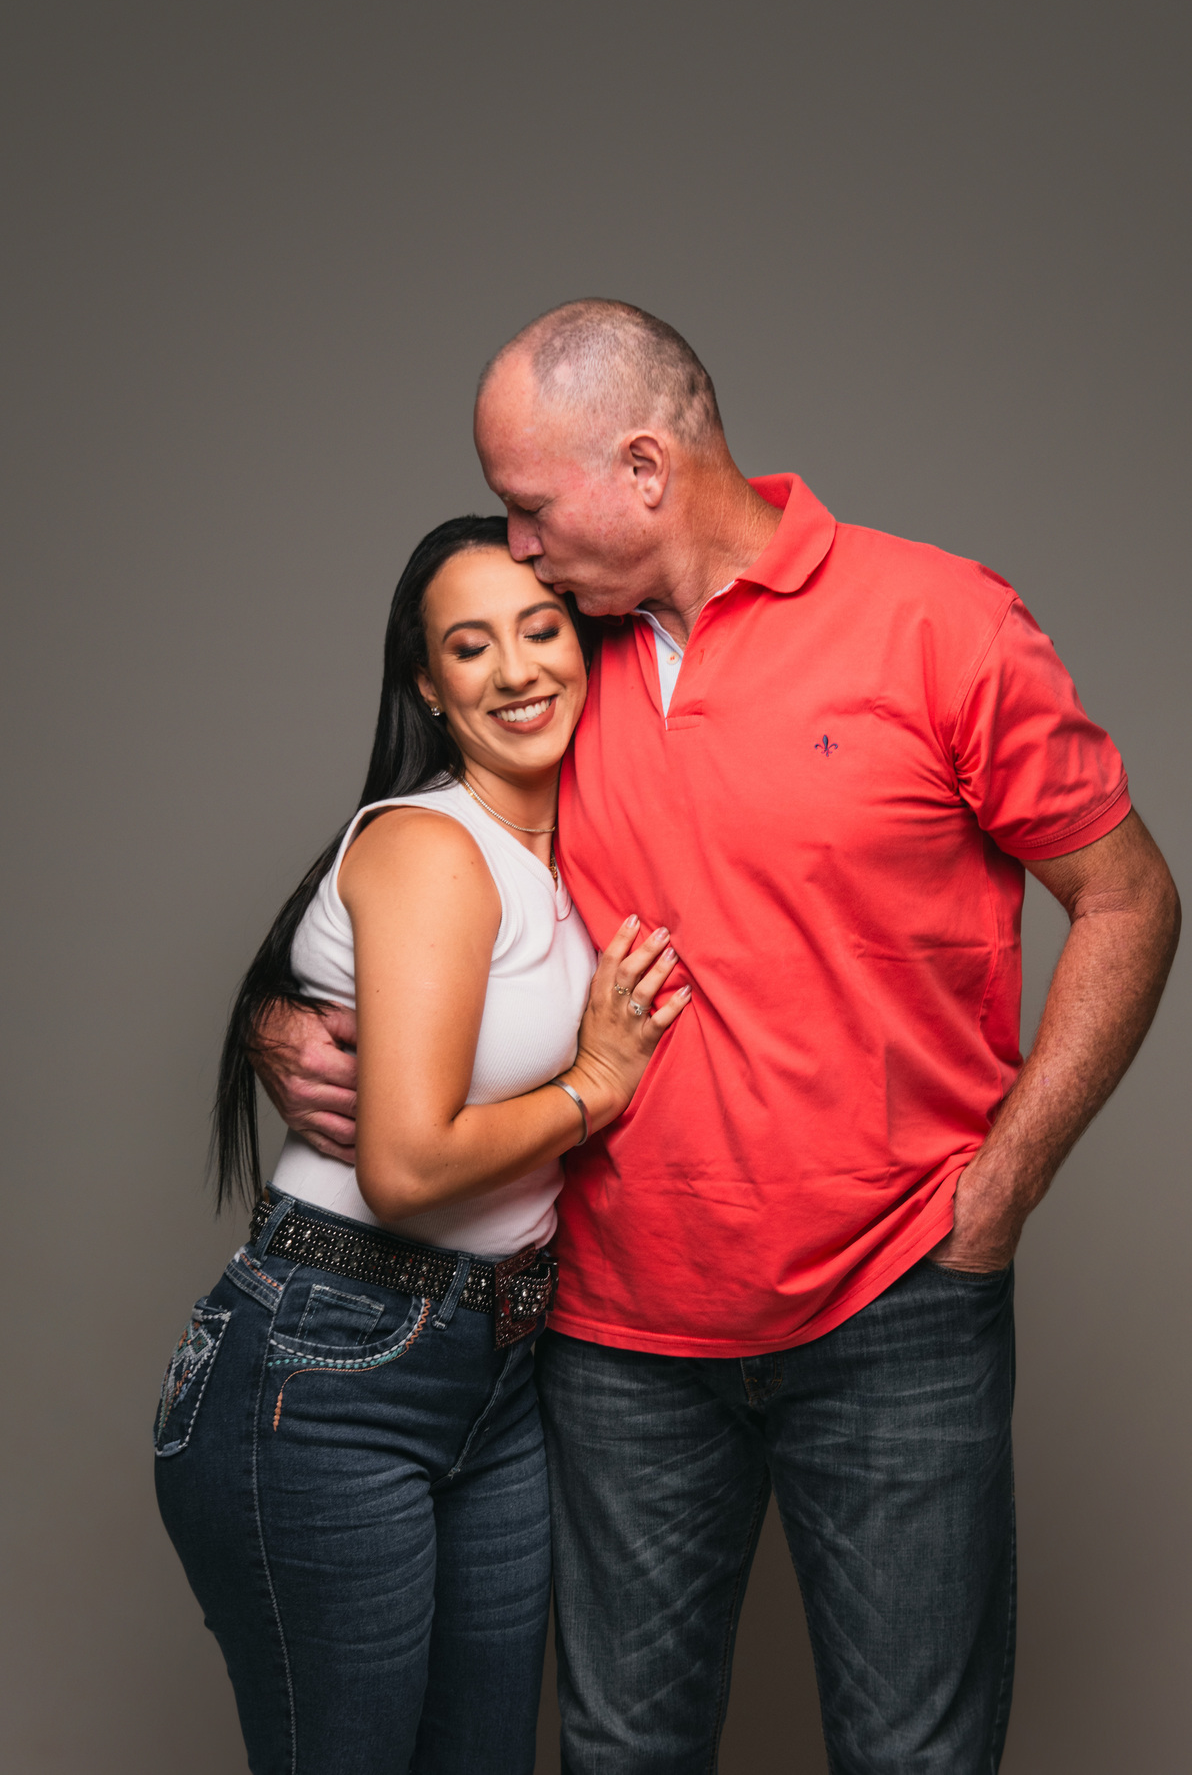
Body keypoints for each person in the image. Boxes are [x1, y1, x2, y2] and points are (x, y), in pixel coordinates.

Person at [253, 303, 1181, 1775]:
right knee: (623, 1750)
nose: (519, 545)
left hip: (898, 1305)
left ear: (642, 468)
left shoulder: (939, 622)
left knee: (915, 1755)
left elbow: (1129, 897)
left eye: (531, 505)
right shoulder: (560, 663)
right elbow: (409, 864)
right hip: (616, 1334)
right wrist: (277, 1021)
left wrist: (1005, 1186)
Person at [153, 512, 691, 1775]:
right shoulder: (433, 847)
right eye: (470, 645)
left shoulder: (562, 859)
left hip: (494, 1370)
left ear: (587, 646)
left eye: (541, 629)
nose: (516, 669)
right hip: (331, 1362)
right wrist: (595, 1085)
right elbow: (401, 1171)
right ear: (429, 688)